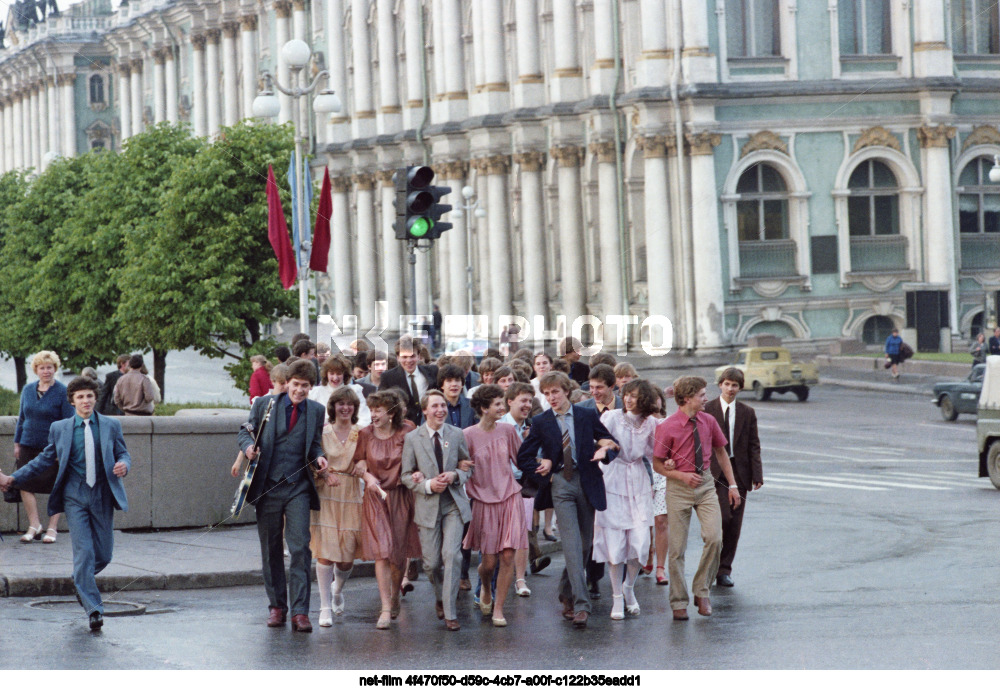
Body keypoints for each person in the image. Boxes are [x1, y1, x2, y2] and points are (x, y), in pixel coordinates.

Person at [0, 376, 131, 631]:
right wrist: (14, 478)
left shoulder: (110, 425)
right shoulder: (60, 428)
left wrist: (124, 464)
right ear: (72, 401)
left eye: (89, 396)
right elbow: (43, 460)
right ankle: (94, 609)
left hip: (102, 495)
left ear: (95, 399)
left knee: (104, 555)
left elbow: (122, 452)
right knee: (83, 553)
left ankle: (80, 580)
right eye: (80, 397)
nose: (85, 401)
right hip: (74, 497)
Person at [516, 371, 618, 629]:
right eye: (547, 393)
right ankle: (581, 604)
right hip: (560, 484)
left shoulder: (586, 415)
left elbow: (609, 441)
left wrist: (605, 449)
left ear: (566, 392)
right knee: (572, 545)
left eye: (555, 392)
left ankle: (565, 590)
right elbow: (523, 458)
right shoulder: (541, 421)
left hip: (587, 481)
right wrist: (545, 469)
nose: (551, 397)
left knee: (584, 546)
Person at [234, 360, 329, 633]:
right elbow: (245, 431)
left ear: (312, 387)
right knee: (271, 548)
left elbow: (313, 445)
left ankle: (300, 612)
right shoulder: (265, 405)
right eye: (296, 384)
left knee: (300, 548)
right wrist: (249, 447)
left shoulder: (316, 411)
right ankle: (277, 607)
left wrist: (319, 457)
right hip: (268, 485)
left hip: (298, 487)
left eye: (305, 386)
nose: (299, 390)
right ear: (287, 382)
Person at [653, 376, 741, 621]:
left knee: (714, 538)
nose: (706, 398)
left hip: (706, 486)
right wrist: (680, 475)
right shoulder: (667, 426)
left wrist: (732, 485)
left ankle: (702, 590)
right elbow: (658, 464)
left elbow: (722, 453)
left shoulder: (709, 421)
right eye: (702, 394)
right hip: (679, 488)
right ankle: (679, 601)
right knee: (677, 550)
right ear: (687, 398)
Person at [400, 390, 472, 631]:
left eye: (443, 405)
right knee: (431, 564)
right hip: (428, 504)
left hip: (453, 504)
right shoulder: (413, 438)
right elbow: (406, 475)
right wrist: (427, 484)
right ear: (424, 411)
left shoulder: (457, 433)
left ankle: (450, 613)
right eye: (435, 406)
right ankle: (441, 597)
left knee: (452, 555)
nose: (440, 410)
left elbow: (467, 468)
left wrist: (455, 475)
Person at [461, 385, 528, 627]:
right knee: (488, 563)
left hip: (510, 496)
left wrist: (542, 461)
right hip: (483, 501)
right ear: (483, 408)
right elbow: (461, 467)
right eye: (497, 404)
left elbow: (523, 460)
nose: (502, 408)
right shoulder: (467, 435)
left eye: (503, 403)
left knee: (508, 555)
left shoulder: (509, 430)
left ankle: (499, 608)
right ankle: (486, 586)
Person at [594, 379, 659, 620]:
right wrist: (602, 451)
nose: (629, 399)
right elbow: (598, 442)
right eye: (627, 394)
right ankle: (617, 598)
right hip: (613, 479)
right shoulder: (611, 418)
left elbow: (655, 453)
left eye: (634, 396)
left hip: (639, 480)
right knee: (616, 543)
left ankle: (629, 587)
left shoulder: (651, 423)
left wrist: (669, 464)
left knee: (640, 541)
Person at [355, 390, 420, 629]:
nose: (373, 414)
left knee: (398, 553)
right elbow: (359, 462)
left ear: (392, 413)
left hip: (401, 495)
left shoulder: (408, 431)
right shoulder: (365, 434)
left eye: (378, 410)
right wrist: (367, 476)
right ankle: (384, 608)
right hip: (375, 497)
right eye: (371, 410)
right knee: (382, 551)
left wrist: (417, 473)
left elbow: (420, 457)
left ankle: (395, 595)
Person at [311, 387, 367, 626]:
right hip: (327, 494)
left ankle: (337, 589)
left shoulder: (361, 433)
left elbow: (370, 456)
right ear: (333, 406)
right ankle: (325, 607)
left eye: (350, 404)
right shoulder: (323, 432)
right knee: (326, 553)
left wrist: (364, 461)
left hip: (353, 494)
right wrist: (323, 475)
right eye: (340, 403)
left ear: (355, 408)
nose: (345, 408)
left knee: (346, 557)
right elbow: (311, 460)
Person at [705, 368, 763, 589]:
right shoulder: (708, 409)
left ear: (740, 388)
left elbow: (753, 444)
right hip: (715, 472)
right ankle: (711, 566)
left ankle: (724, 570)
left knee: (735, 523)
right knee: (722, 518)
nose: (730, 389)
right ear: (720, 384)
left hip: (739, 472)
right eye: (727, 384)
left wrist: (757, 474)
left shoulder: (747, 412)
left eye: (735, 385)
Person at [13, 351, 74, 544]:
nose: (46, 371)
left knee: (56, 485)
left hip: (51, 447)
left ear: (55, 369)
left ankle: (52, 528)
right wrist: (17, 443)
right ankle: (34, 525)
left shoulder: (63, 392)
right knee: (24, 483)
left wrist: (62, 448)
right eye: (42, 368)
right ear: (36, 370)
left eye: (49, 367)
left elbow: (68, 423)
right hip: (27, 443)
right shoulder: (28, 390)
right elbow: (22, 418)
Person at [499, 382, 552, 596]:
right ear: (510, 401)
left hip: (525, 485)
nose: (527, 405)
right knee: (501, 535)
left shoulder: (533, 427)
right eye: (523, 400)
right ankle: (498, 577)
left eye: (530, 401)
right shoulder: (499, 425)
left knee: (522, 532)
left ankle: (520, 579)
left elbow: (541, 455)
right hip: (501, 486)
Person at [577, 363, 622, 597]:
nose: (594, 392)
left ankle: (622, 582)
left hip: (623, 477)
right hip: (593, 475)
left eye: (600, 388)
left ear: (613, 387)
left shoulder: (627, 408)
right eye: (591, 387)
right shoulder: (582, 409)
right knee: (594, 528)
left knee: (621, 527)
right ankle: (593, 578)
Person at [379, 337, 439, 427]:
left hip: (430, 424)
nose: (409, 361)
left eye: (412, 356)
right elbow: (382, 404)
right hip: (402, 427)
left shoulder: (432, 372)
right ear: (398, 357)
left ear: (419, 356)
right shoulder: (388, 377)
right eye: (404, 357)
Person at [309, 355, 372, 426]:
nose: (335, 378)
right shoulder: (316, 392)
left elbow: (364, 418)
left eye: (339, 374)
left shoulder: (354, 391)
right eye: (332, 373)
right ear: (326, 374)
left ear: (344, 374)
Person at [439, 364, 477, 429]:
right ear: (442, 385)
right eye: (449, 381)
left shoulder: (472, 405)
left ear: (462, 384)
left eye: (457, 380)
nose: (454, 384)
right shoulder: (434, 407)